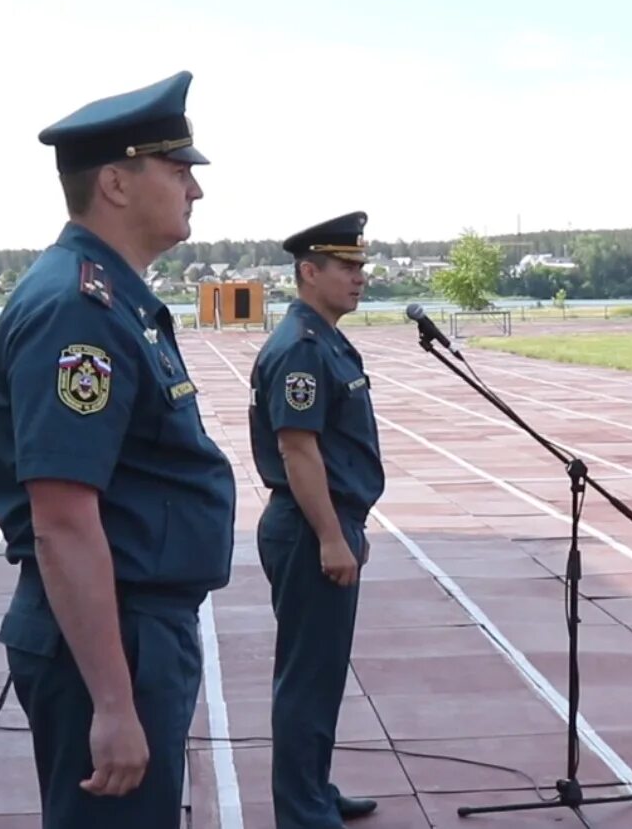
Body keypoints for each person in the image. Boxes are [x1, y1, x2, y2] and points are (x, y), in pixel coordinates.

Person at [0, 71, 237, 826]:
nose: (195, 189)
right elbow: (61, 517)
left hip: (129, 626)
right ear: (118, 183)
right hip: (110, 634)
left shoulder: (109, 296)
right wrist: (114, 701)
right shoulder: (78, 309)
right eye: (178, 167)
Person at [247, 211, 385, 827]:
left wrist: (349, 528)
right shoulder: (301, 349)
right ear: (309, 271)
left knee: (323, 673)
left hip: (327, 523)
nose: (360, 277)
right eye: (347, 267)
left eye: (361, 267)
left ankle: (313, 790)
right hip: (308, 530)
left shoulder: (323, 337)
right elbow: (297, 451)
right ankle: (302, 811)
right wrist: (333, 536)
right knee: (307, 677)